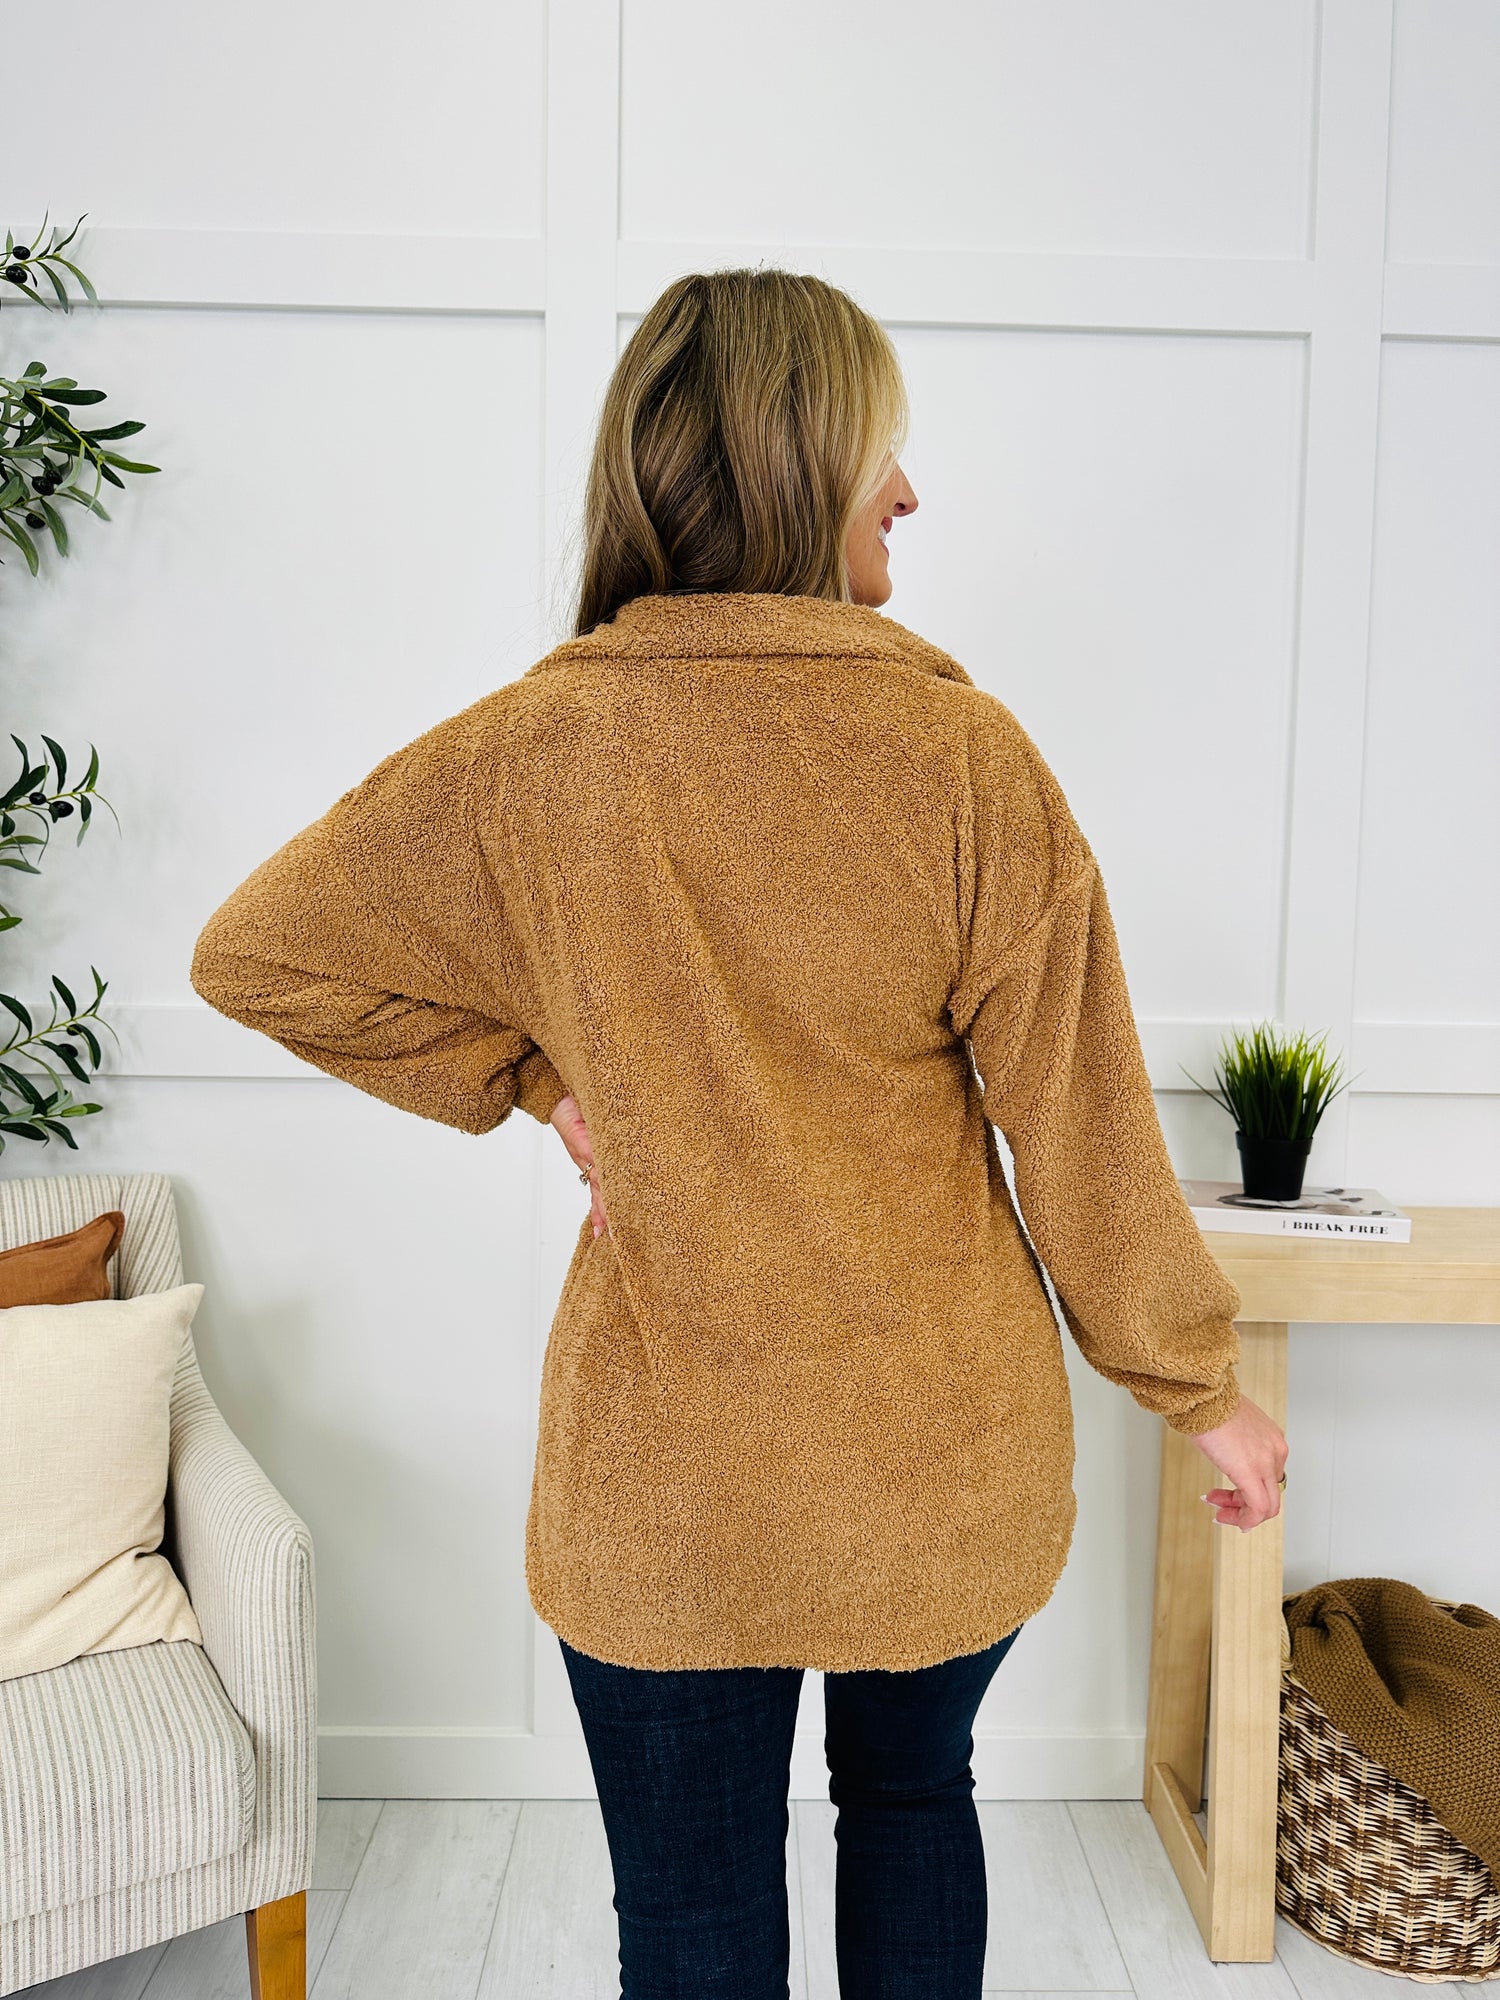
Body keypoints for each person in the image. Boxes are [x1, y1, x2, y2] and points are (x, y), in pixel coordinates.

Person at [190, 267, 1290, 2000]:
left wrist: (536, 1079)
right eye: (880, 454)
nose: (908, 494)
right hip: (937, 1464)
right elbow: (1080, 1131)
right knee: (915, 1804)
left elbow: (257, 953)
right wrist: (1200, 1389)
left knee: (694, 1907)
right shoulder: (963, 760)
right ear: (793, 466)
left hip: (669, 1476)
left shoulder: (536, 751)